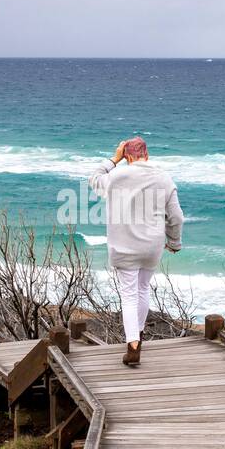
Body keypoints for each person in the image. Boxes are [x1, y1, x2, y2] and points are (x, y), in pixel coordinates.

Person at [89, 136, 184, 366]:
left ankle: (133, 347)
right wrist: (174, 243)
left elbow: (94, 179)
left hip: (124, 247)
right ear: (147, 155)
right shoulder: (163, 177)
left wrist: (114, 159)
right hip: (152, 246)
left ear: (127, 156)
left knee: (129, 294)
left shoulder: (118, 175)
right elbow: (176, 217)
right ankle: (138, 335)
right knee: (143, 289)